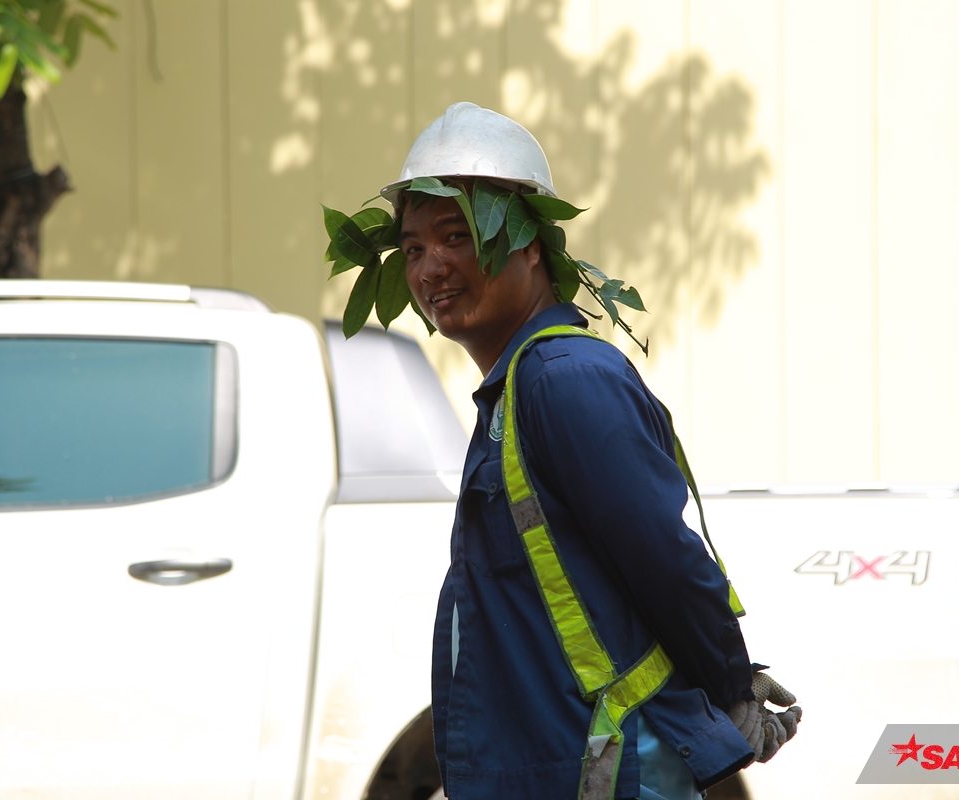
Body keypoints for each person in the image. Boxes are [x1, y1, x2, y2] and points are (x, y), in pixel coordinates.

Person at [325, 102, 798, 800]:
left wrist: (732, 683)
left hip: (609, 770)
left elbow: (663, 558)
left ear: (531, 247)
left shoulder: (563, 380)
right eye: (415, 248)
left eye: (457, 236)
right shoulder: (520, 388)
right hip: (559, 767)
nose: (431, 267)